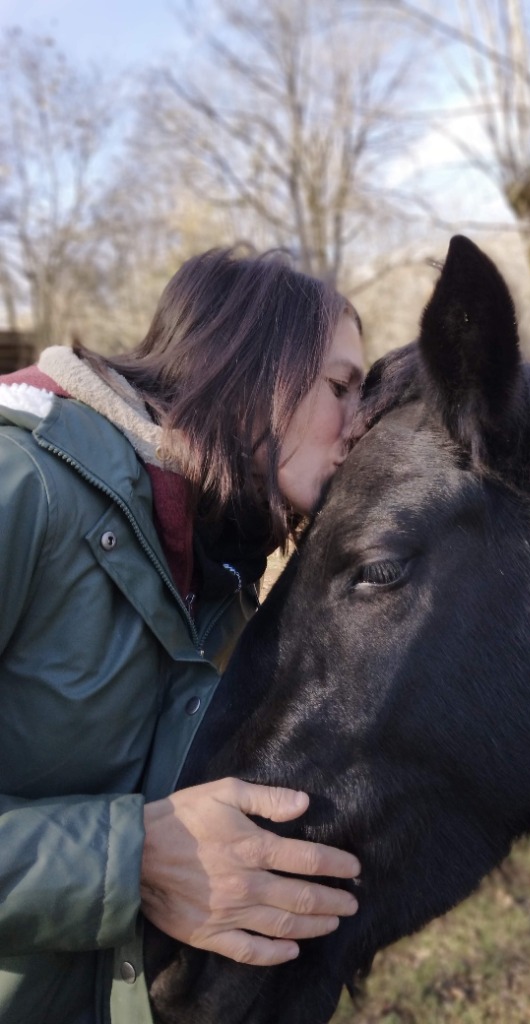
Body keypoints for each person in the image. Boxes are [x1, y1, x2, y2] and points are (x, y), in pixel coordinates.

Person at [0, 247, 366, 1024]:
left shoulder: (219, 567)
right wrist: (127, 861)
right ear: (252, 363)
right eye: (342, 387)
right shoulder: (17, 486)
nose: (358, 428)